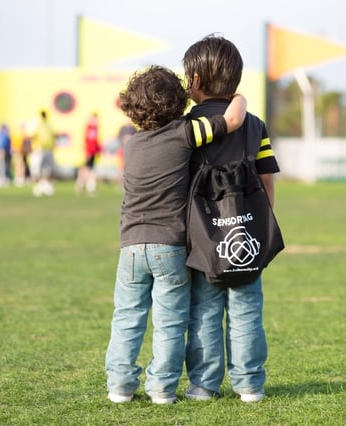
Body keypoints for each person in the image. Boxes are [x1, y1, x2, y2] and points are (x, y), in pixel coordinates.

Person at [104, 65, 247, 405]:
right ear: (179, 103)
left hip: (130, 246)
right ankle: (161, 388)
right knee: (169, 321)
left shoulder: (132, 144)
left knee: (127, 316)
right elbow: (232, 121)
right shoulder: (184, 133)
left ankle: (120, 386)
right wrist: (239, 96)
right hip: (169, 245)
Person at [182, 34, 281, 403]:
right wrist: (262, 222)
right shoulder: (254, 125)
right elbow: (267, 176)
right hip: (245, 236)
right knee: (247, 311)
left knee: (204, 312)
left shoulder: (188, 127)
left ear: (196, 80)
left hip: (202, 241)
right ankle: (250, 385)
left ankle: (203, 386)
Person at [30, 110, 56, 196]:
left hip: (48, 149)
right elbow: (32, 136)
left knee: (49, 168)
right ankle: (39, 185)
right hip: (39, 149)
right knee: (38, 169)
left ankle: (46, 184)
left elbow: (53, 136)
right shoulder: (37, 125)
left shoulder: (49, 125)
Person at [75, 112, 102, 195]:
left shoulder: (95, 128)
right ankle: (84, 184)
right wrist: (89, 151)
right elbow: (89, 141)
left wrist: (98, 149)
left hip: (92, 152)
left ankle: (84, 185)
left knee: (89, 169)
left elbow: (95, 141)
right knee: (87, 169)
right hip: (89, 152)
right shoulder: (90, 128)